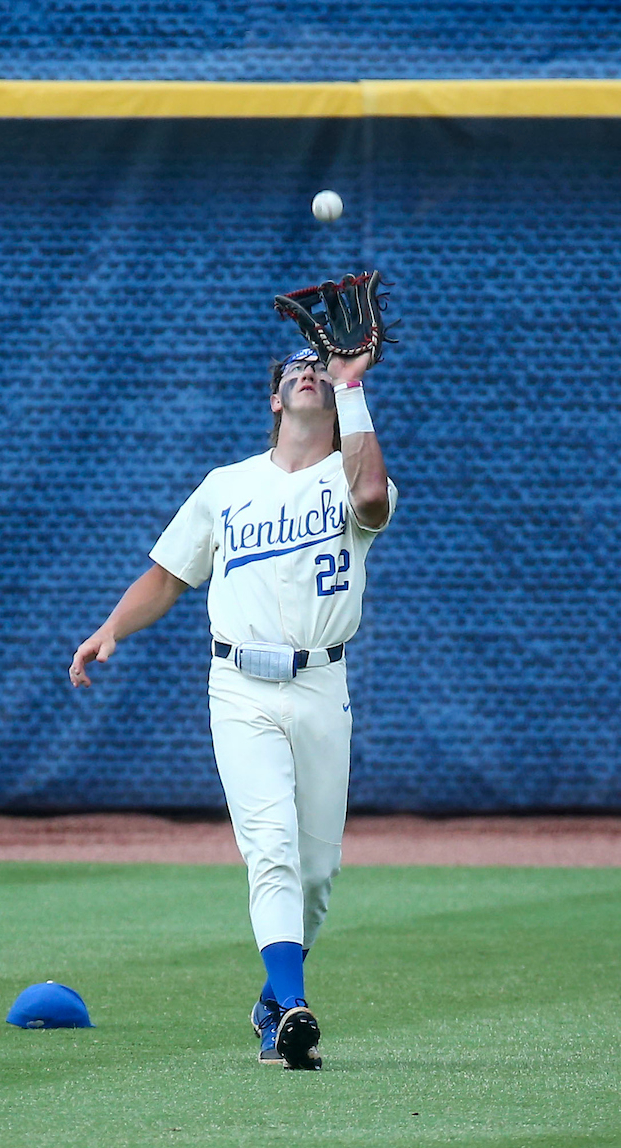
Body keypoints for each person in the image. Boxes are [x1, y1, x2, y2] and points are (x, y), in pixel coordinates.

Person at [69, 340, 397, 1070]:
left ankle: (273, 1001)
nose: (307, 372)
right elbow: (168, 575)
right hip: (241, 687)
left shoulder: (352, 475)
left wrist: (352, 387)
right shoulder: (227, 486)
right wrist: (110, 628)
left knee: (317, 873)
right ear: (275, 399)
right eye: (295, 370)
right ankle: (294, 1005)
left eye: (320, 366)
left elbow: (372, 499)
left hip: (321, 686)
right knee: (272, 848)